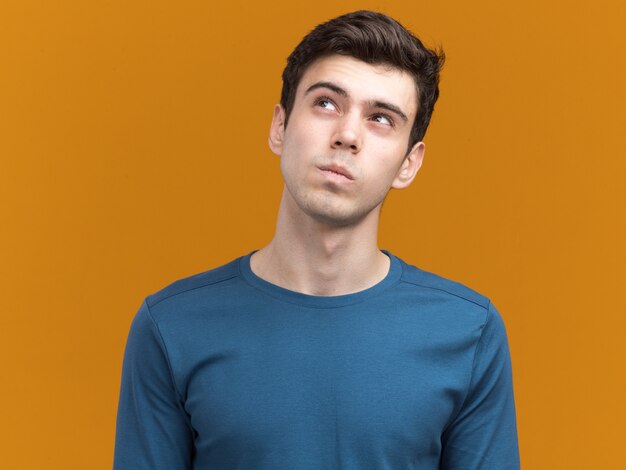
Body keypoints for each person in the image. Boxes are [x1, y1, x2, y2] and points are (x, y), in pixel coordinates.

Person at [114, 10, 520, 469]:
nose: (347, 135)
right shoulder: (172, 327)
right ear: (279, 127)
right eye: (327, 102)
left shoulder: (469, 331)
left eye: (382, 118)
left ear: (410, 163)